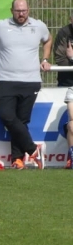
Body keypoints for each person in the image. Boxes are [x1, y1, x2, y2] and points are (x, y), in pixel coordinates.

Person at [0, 0, 52, 169]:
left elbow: (48, 39)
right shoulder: (1, 26)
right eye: (18, 11)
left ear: (28, 10)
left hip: (31, 81)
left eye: (24, 10)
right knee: (7, 117)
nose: (21, 14)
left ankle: (17, 159)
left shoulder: (38, 26)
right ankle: (33, 149)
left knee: (21, 121)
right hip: (6, 80)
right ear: (12, 11)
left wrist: (45, 58)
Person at [50, 11, 73, 168]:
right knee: (71, 123)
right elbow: (60, 59)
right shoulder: (64, 33)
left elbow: (68, 58)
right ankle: (71, 157)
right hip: (68, 83)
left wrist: (72, 58)